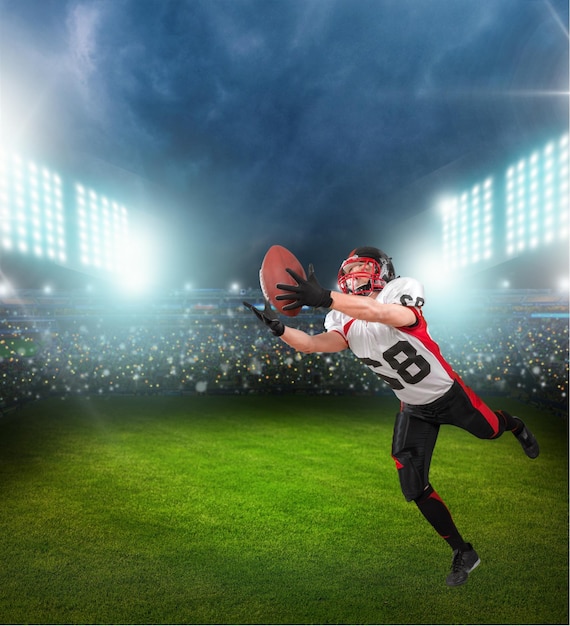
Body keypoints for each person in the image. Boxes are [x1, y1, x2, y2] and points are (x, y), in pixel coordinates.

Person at [243, 246, 539, 587]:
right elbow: (312, 345)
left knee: (491, 431)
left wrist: (326, 297)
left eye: (362, 268)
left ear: (383, 272)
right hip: (412, 406)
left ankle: (516, 425)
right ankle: (463, 551)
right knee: (413, 485)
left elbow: (383, 314)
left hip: (449, 394)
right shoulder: (342, 317)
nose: (354, 276)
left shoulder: (401, 292)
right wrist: (280, 331)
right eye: (349, 270)